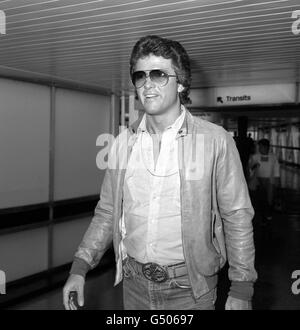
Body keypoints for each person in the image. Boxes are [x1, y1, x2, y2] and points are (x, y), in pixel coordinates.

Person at [63, 35, 257, 310]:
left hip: (190, 288)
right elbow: (107, 212)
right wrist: (79, 267)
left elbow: (236, 215)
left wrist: (241, 286)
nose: (147, 84)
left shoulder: (214, 141)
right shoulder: (122, 144)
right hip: (133, 284)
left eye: (158, 74)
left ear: (181, 83)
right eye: (140, 76)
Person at [248, 138, 280, 225]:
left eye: (262, 147)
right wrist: (254, 167)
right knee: (261, 198)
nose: (260, 149)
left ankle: (268, 213)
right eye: (259, 147)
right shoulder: (255, 157)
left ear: (267, 147)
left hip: (270, 180)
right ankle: (263, 216)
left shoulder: (273, 157)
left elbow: (276, 168)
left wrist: (277, 179)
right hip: (258, 180)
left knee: (270, 199)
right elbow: (249, 168)